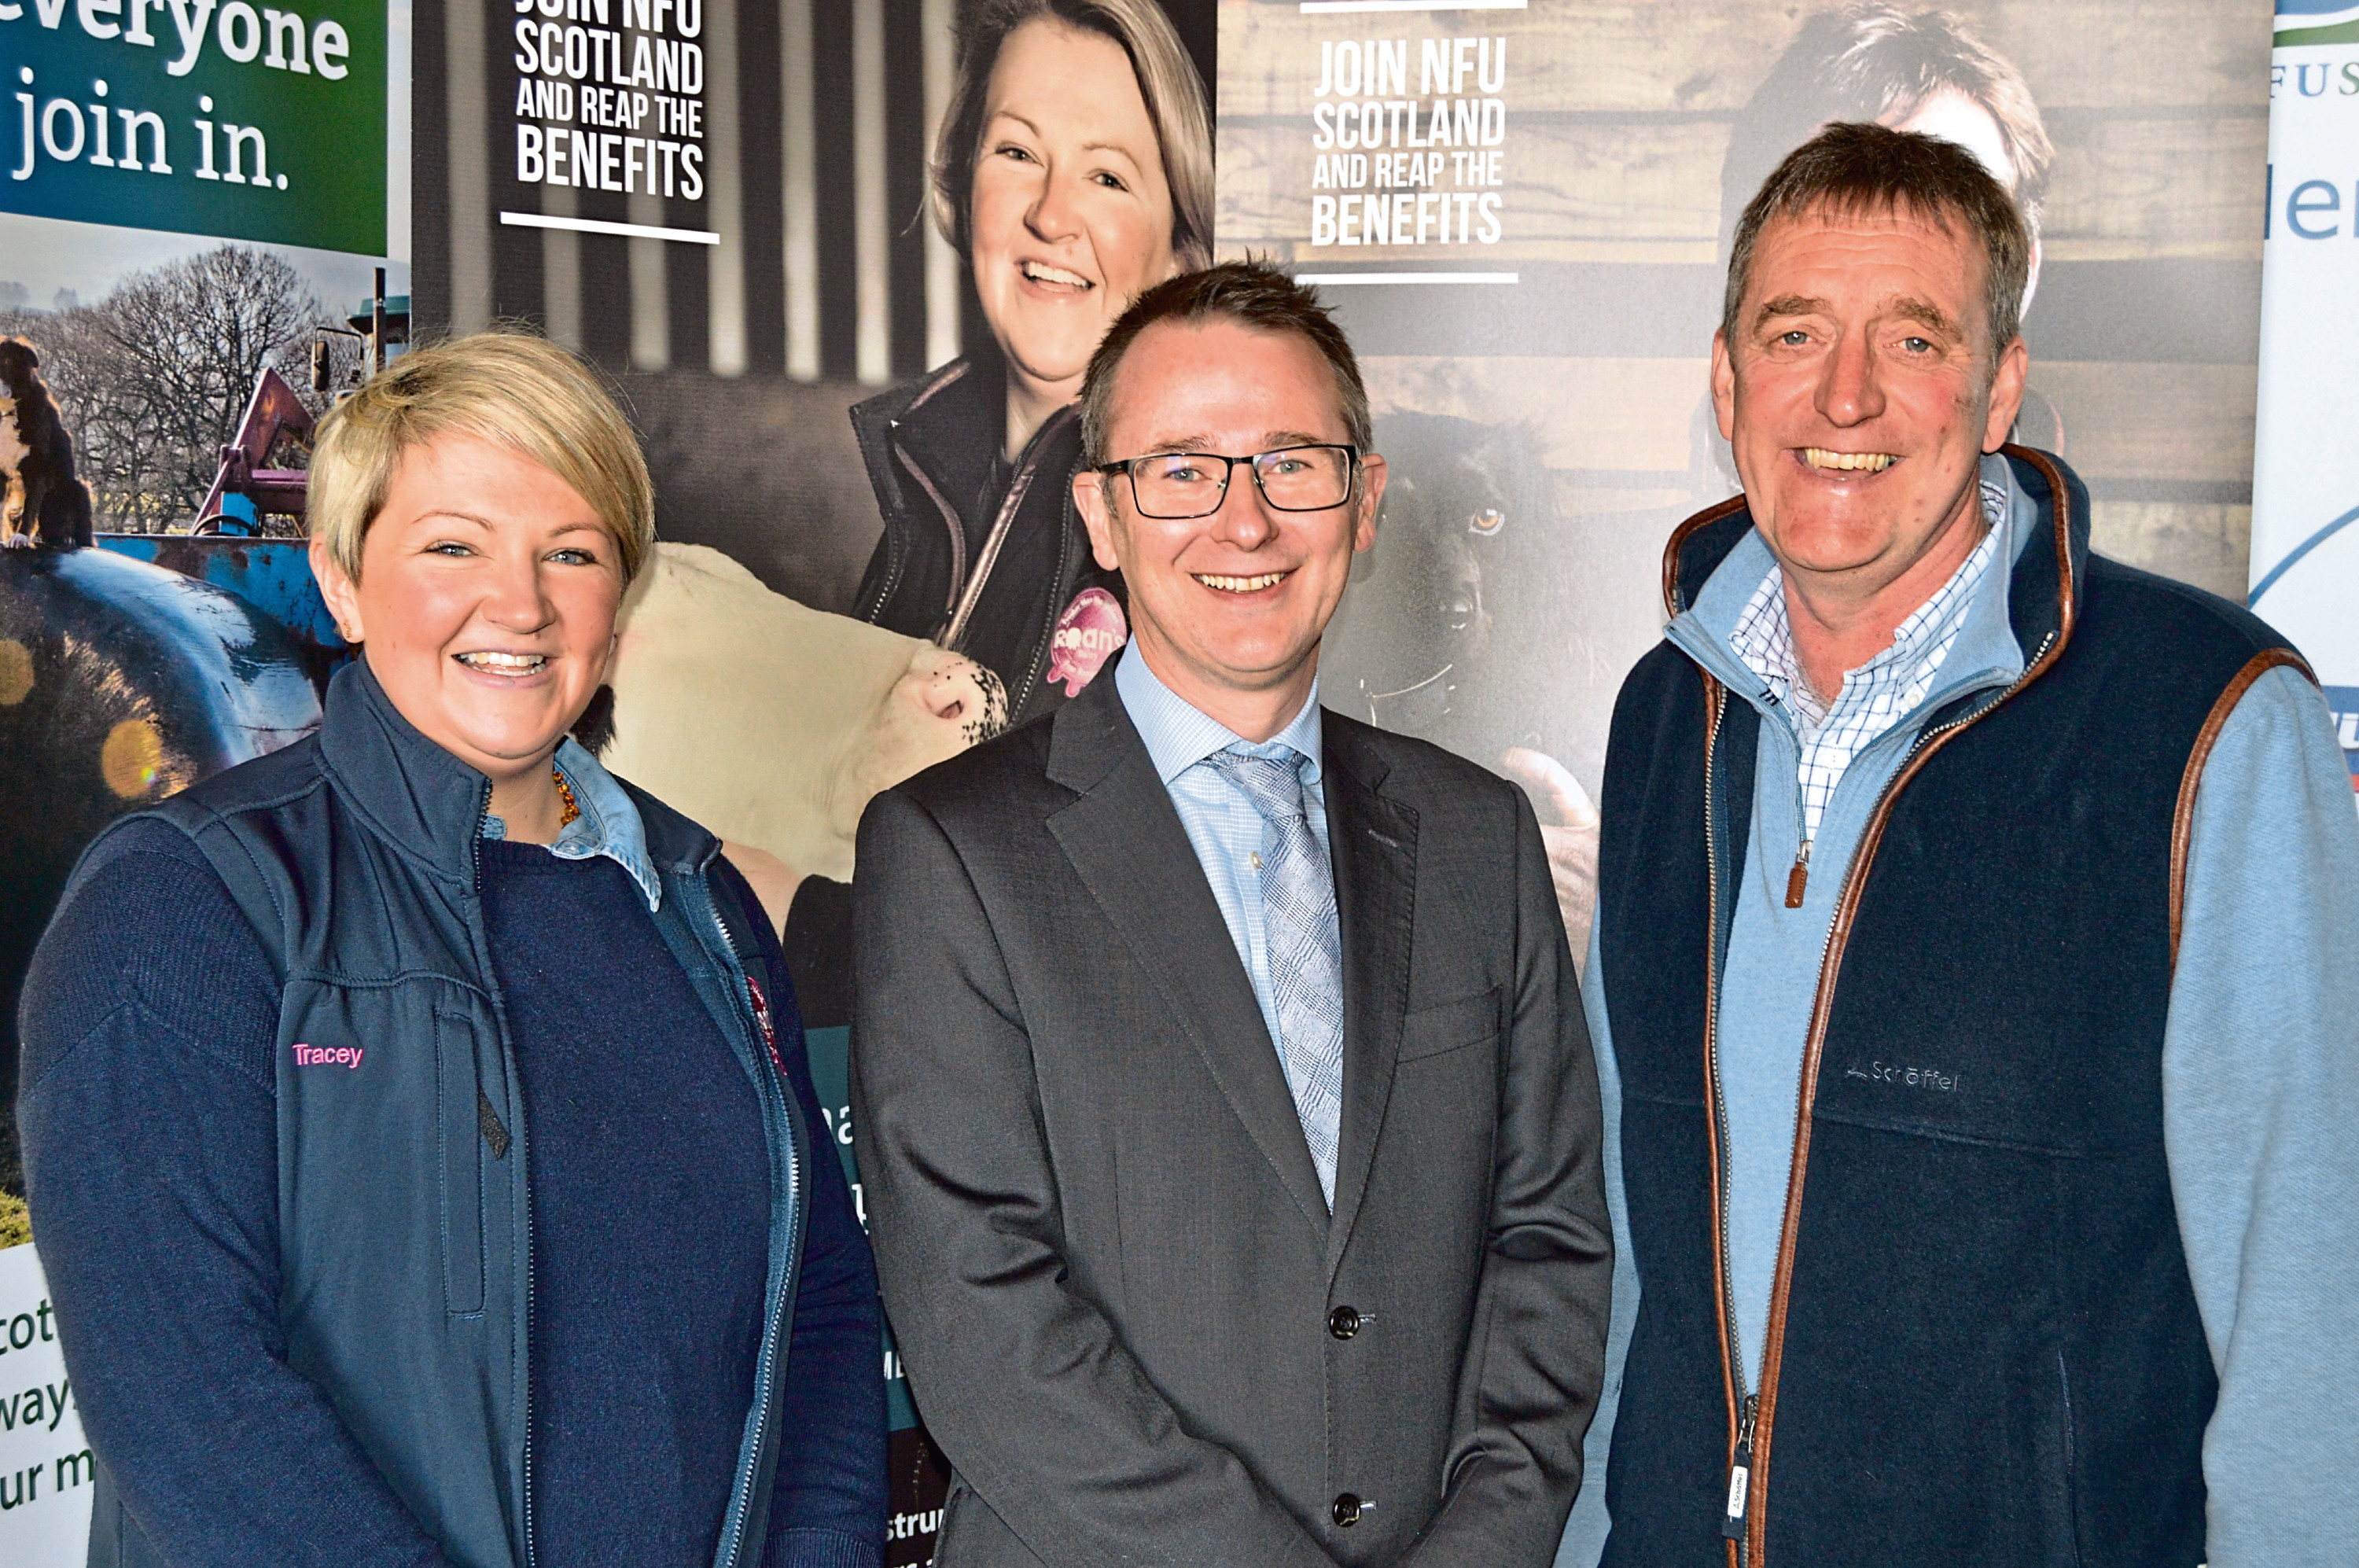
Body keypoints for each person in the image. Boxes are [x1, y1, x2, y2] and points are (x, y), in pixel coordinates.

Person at [1577, 123, 2359, 1566]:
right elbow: (1628, 1257)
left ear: (2000, 386)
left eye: (1915, 335)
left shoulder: (2209, 722)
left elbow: (2314, 1313)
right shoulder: (1662, 713)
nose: (1846, 391)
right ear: (1726, 376)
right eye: (1794, 329)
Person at [16, 333, 887, 1568]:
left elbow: (824, 1304)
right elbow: (189, 1399)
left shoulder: (699, 901)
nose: (520, 603)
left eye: (571, 552)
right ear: (341, 578)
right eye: (452, 546)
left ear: (620, 595)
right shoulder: (189, 901)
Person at [849, 262, 1613, 1566]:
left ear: (1365, 502)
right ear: (1102, 511)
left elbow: (1546, 1243)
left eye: (1292, 463)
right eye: (1182, 467)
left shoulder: (1480, 836)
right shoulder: (951, 854)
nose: (1243, 519)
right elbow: (980, 1322)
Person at [849, 0, 1213, 727]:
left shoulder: (1195, 520)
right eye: (1017, 153)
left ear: (1180, 241)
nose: (1051, 216)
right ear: (961, 182)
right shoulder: (926, 458)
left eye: (1106, 177)